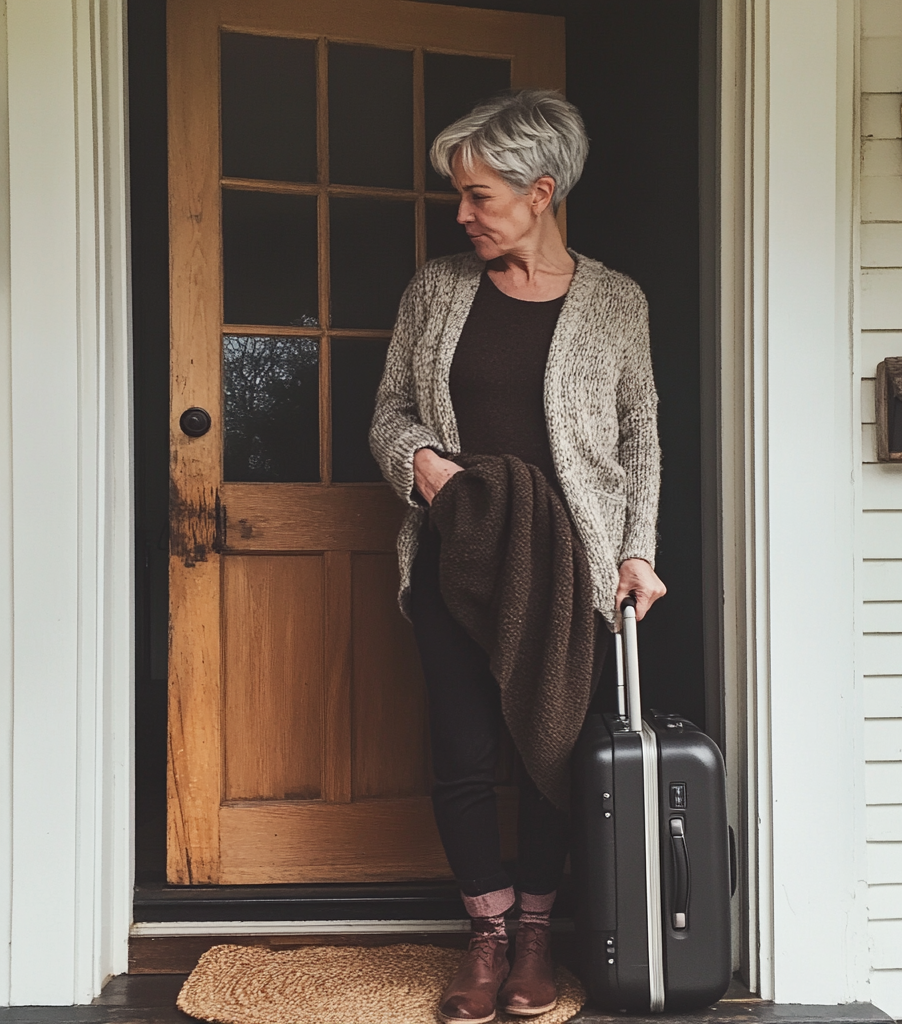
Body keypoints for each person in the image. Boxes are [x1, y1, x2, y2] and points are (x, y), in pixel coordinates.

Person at [369, 89, 665, 1024]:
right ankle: (487, 935)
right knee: (461, 754)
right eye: (460, 197)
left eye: (479, 196)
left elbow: (641, 438)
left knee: (552, 755)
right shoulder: (438, 289)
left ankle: (537, 931)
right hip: (457, 559)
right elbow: (388, 413)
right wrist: (428, 473)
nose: (462, 214)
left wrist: (637, 551)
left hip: (571, 567)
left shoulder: (617, 302)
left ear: (541, 193)